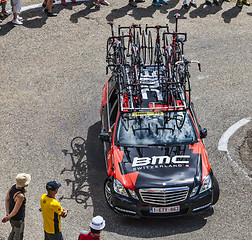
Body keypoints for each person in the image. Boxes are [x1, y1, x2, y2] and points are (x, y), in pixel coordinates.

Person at [2, 173, 31, 240]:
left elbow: (7, 199)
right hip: (18, 219)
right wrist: (8, 217)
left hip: (11, 216)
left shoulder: (13, 186)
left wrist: (7, 213)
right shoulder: (20, 196)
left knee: (13, 231)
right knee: (18, 236)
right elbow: (16, 211)